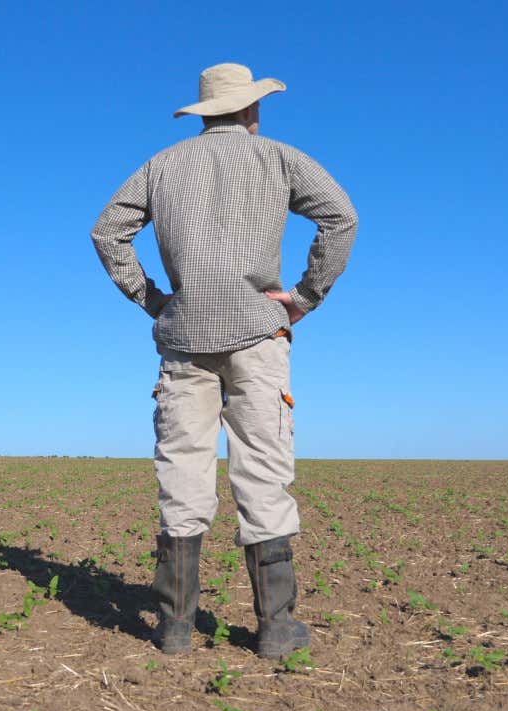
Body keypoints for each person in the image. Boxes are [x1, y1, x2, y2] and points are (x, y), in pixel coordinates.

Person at [91, 63, 357, 659]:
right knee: (262, 471)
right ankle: (276, 629)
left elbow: (107, 232)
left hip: (183, 338)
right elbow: (342, 217)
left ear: (205, 112)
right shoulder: (281, 158)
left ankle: (175, 629)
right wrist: (304, 299)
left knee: (182, 472)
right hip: (259, 337)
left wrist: (153, 300)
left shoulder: (162, 165)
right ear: (252, 110)